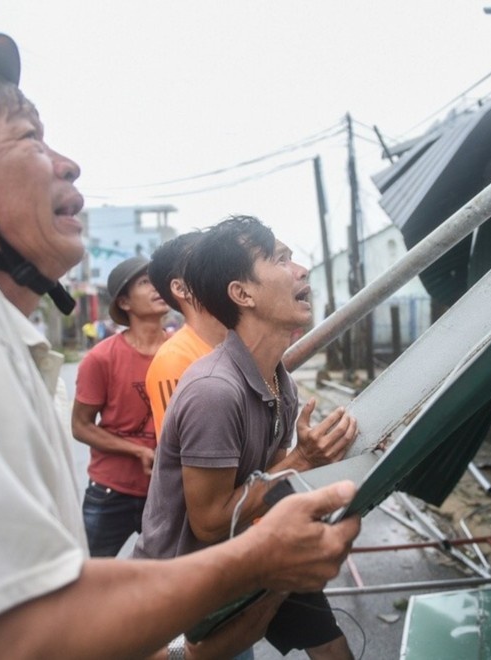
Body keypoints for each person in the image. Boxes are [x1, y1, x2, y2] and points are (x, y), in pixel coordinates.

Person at [0, 34, 361, 660]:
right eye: (28, 136)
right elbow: (17, 637)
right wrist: (257, 558)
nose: (67, 163)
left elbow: (42, 599)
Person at [135, 216, 360, 659]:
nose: (301, 271)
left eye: (294, 258)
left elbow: (268, 482)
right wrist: (302, 462)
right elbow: (211, 520)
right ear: (242, 293)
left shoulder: (280, 381)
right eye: (280, 259)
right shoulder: (213, 391)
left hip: (250, 555)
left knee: (333, 649)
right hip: (188, 592)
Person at [73, 255, 169, 557]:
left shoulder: (183, 351)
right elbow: (80, 426)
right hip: (110, 492)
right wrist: (137, 450)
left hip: (167, 492)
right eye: (145, 282)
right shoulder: (101, 358)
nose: (157, 288)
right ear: (125, 303)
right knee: (87, 581)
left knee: (174, 586)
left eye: (158, 280)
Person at [145, 231, 228, 438]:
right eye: (208, 263)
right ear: (181, 289)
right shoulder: (173, 361)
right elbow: (186, 459)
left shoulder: (241, 345)